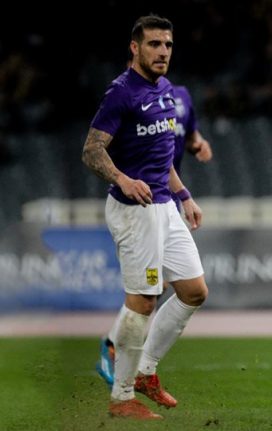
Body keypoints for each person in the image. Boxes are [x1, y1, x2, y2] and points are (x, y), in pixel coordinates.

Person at [82, 15, 208, 420]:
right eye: (154, 44)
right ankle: (121, 398)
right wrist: (122, 178)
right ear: (135, 48)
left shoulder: (166, 90)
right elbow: (91, 150)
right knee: (142, 301)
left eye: (168, 44)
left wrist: (183, 195)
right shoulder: (121, 93)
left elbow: (161, 156)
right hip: (134, 210)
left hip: (165, 205)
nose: (163, 51)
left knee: (194, 291)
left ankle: (145, 372)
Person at [95, 86, 213, 385]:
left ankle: (135, 365)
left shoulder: (179, 96)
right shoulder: (128, 96)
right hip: (141, 201)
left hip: (166, 199)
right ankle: (116, 353)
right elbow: (96, 147)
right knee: (150, 291)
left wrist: (198, 144)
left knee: (175, 288)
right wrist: (123, 180)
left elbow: (189, 135)